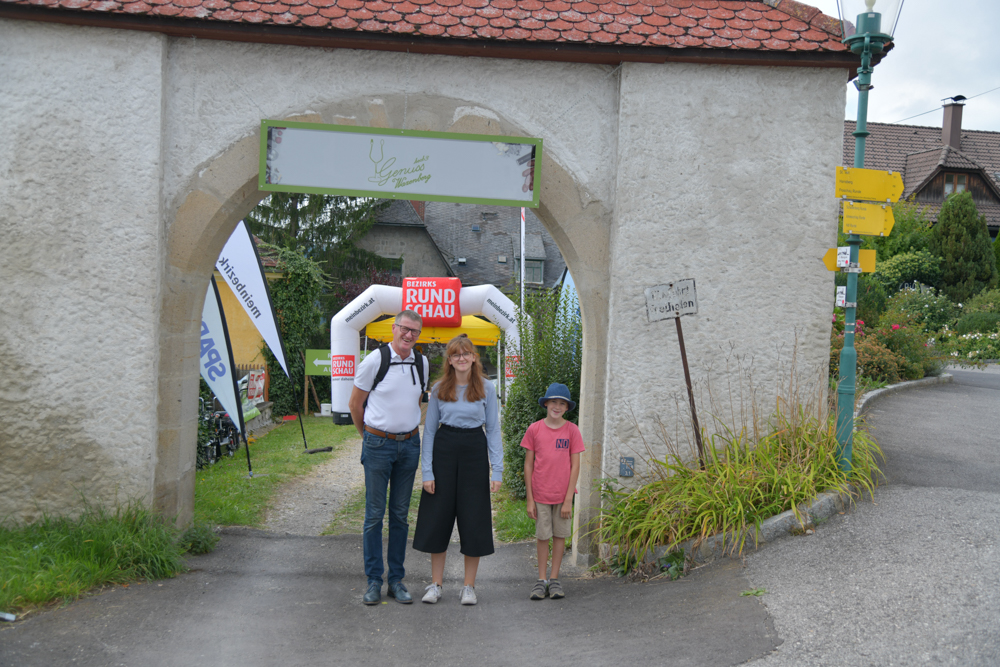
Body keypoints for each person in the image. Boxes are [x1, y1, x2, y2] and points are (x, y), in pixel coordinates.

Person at [412, 334, 502, 606]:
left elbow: (493, 430)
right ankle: (436, 585)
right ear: (449, 360)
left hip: (474, 450)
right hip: (444, 449)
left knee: (473, 519)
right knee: (437, 518)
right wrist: (427, 472)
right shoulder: (439, 388)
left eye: (466, 353)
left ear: (474, 357)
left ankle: (468, 587)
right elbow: (429, 432)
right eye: (455, 354)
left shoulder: (487, 388)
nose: (461, 358)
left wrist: (497, 470)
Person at [348, 310, 429, 606]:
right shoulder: (375, 360)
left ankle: (396, 580)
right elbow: (355, 405)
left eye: (415, 331)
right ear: (394, 328)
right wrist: (368, 436)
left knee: (400, 515)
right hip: (378, 444)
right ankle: (374, 580)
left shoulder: (422, 362)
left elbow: (416, 399)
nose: (409, 335)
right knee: (374, 515)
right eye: (405, 329)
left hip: (409, 445)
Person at [521, 382, 584, 601]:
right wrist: (530, 499)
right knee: (542, 536)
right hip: (540, 495)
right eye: (553, 402)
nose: (557, 407)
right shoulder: (534, 429)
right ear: (546, 404)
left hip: (562, 496)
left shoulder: (572, 430)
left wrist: (568, 500)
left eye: (562, 403)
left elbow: (575, 466)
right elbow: (528, 465)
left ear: (567, 408)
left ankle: (555, 579)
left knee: (560, 536)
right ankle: (541, 580)